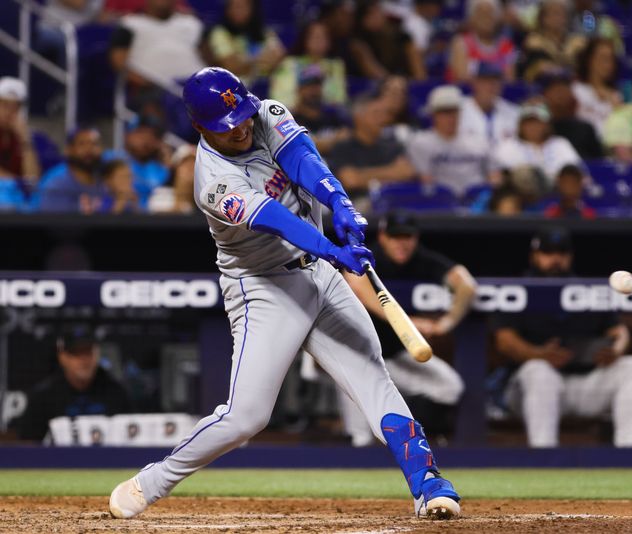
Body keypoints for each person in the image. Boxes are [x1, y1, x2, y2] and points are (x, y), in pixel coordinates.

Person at [108, 67, 461, 520]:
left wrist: (341, 206)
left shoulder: (266, 113)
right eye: (224, 124)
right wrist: (333, 248)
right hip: (263, 287)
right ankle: (151, 481)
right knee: (246, 417)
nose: (238, 129)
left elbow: (305, 163)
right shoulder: (212, 181)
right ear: (199, 127)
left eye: (241, 116)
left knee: (374, 378)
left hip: (319, 274)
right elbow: (278, 219)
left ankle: (428, 484)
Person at [492, 227, 632, 448]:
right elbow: (504, 340)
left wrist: (616, 350)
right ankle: (544, 456)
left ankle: (631, 456)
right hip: (530, 390)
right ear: (535, 256)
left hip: (584, 385)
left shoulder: (588, 290)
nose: (556, 259)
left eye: (562, 253)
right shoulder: (517, 290)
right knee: (539, 371)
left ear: (570, 256)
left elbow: (619, 332)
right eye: (548, 252)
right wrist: (539, 354)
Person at [337, 211, 474, 446]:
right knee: (360, 438)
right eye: (395, 236)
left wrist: (446, 323)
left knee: (450, 387)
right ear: (383, 237)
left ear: (415, 238)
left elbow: (467, 285)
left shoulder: (421, 259)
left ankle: (403, 424)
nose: (402, 243)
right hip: (354, 355)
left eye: (407, 237)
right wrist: (405, 321)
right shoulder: (369, 256)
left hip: (394, 356)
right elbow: (355, 282)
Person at [11, 326, 131, 442]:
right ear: (62, 357)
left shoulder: (116, 394)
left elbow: (132, 437)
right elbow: (28, 447)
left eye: (88, 352)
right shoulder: (44, 398)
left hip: (109, 461)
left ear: (97, 354)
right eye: (76, 354)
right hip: (58, 461)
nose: (83, 360)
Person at [325, 93, 416, 201]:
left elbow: (407, 173)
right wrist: (391, 172)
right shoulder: (342, 147)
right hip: (355, 208)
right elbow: (350, 180)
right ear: (358, 118)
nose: (382, 119)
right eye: (376, 114)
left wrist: (363, 176)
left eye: (384, 114)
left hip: (391, 204)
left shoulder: (393, 145)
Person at [406, 85, 494, 196]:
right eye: (445, 112)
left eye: (454, 111)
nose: (451, 117)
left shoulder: (479, 141)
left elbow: (493, 176)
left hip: (478, 202)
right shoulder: (420, 143)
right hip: (440, 203)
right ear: (433, 114)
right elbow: (426, 182)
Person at [109, 0, 206, 86]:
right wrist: (146, 84)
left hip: (198, 86)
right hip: (154, 91)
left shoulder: (192, 23)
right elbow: (119, 62)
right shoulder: (129, 24)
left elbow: (210, 56)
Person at [493, 103, 582, 186]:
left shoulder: (560, 144)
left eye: (538, 122)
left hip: (558, 194)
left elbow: (575, 172)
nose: (534, 127)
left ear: (547, 125)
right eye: (529, 123)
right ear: (520, 125)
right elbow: (500, 177)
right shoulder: (508, 147)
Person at [269, 21, 348, 109]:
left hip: (326, 117)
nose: (318, 41)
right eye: (315, 37)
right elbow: (279, 100)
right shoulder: (289, 63)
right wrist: (302, 95)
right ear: (305, 39)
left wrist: (320, 93)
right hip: (293, 115)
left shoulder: (336, 66)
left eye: (323, 37)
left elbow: (339, 100)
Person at [206, 0, 285, 85]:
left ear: (253, 9)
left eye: (242, 7)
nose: (237, 11)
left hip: (265, 86)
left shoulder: (264, 32)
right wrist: (259, 61)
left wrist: (247, 63)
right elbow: (231, 66)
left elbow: (278, 56)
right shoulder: (219, 33)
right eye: (233, 7)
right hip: (234, 88)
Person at [536, 68, 604, 160]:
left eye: (564, 87)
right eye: (554, 88)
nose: (560, 92)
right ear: (545, 94)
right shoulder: (536, 128)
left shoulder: (585, 129)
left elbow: (598, 163)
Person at [350, 0, 426, 80]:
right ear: (361, 20)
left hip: (405, 84)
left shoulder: (403, 37)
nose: (376, 17)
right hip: (375, 87)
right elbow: (377, 75)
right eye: (370, 14)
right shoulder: (359, 44)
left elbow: (420, 76)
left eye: (378, 12)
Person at [38, 127, 106, 213]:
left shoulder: (105, 180)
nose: (89, 149)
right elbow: (55, 223)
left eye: (94, 144)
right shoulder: (55, 184)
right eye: (82, 144)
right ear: (68, 150)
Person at [449, 0, 516, 82]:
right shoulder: (461, 43)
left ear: (497, 18)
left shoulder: (506, 46)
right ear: (472, 18)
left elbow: (509, 80)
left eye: (490, 14)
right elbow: (461, 78)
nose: (486, 19)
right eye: (481, 14)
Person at [289, 65, 350, 155]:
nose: (315, 91)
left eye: (318, 86)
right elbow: (300, 146)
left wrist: (318, 144)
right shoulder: (291, 118)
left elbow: (348, 136)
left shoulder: (333, 113)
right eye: (309, 86)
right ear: (299, 90)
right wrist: (333, 141)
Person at [517, 0, 584, 82]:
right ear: (543, 18)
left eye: (561, 14)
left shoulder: (577, 42)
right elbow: (532, 66)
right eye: (553, 13)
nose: (557, 18)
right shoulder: (534, 41)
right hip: (542, 84)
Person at [457, 62, 520, 146]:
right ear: (474, 83)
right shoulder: (458, 109)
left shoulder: (513, 112)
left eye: (495, 81)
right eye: (485, 81)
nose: (491, 86)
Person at [115, 114, 170, 208]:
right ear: (127, 135)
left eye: (151, 134)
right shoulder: (112, 160)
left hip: (151, 219)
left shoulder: (162, 170)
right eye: (140, 132)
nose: (146, 139)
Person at [572, 37, 622, 136]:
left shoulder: (616, 95)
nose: (607, 64)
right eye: (603, 58)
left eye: (610, 59)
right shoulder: (575, 90)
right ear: (589, 60)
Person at [0, 77, 39, 180]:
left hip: (16, 194)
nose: (9, 112)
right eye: (5, 105)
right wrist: (17, 184)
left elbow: (32, 178)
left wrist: (25, 140)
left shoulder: (23, 136)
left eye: (15, 107)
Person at [147, 144, 196, 213]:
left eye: (195, 164)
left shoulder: (204, 199)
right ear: (175, 168)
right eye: (185, 163)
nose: (190, 167)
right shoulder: (160, 194)